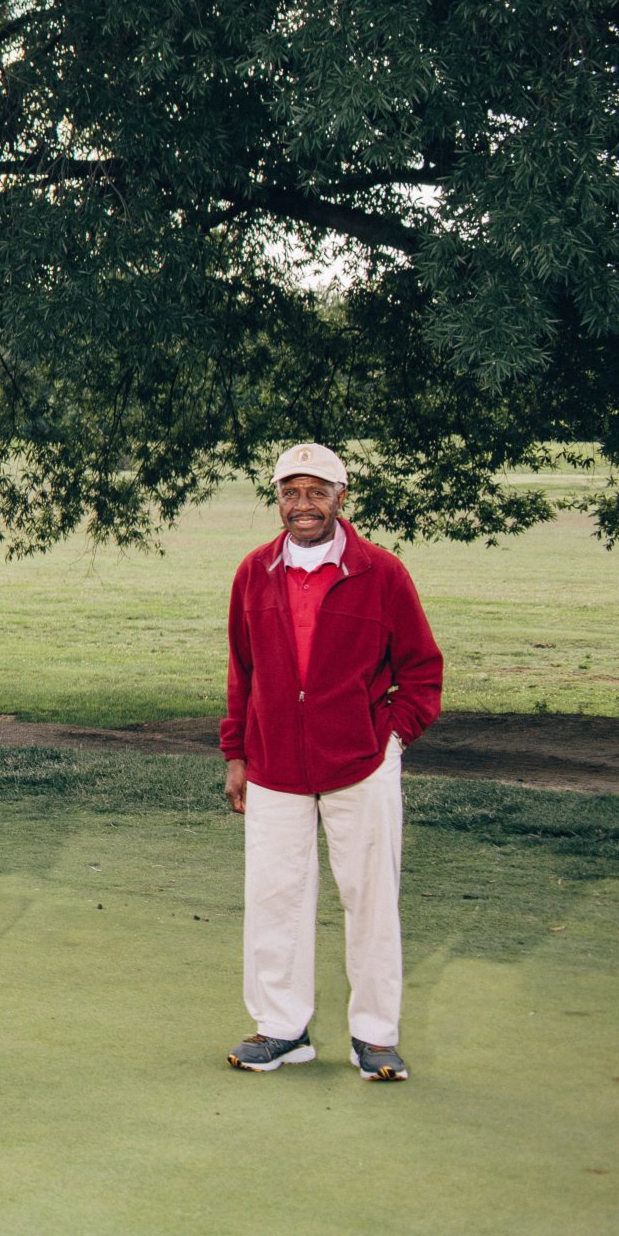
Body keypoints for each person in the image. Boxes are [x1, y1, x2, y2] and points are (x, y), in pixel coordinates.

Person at [222, 443, 442, 1081]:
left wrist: (391, 738)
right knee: (274, 898)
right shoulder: (252, 572)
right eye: (291, 491)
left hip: (360, 765)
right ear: (278, 499)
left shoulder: (383, 572)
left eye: (317, 491)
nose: (303, 505)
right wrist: (235, 751)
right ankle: (282, 1030)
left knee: (370, 899)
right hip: (273, 767)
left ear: (342, 496)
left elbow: (422, 671)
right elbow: (243, 671)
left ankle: (374, 1036)